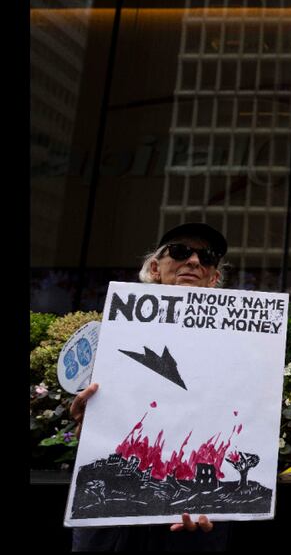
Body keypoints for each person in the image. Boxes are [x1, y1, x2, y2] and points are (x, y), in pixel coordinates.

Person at [70, 223, 230, 551]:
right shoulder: (112, 335)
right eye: (181, 251)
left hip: (197, 513)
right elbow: (93, 418)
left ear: (214, 277)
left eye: (206, 257)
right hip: (111, 514)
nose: (194, 261)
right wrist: (86, 418)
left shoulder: (236, 350)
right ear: (154, 268)